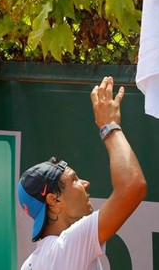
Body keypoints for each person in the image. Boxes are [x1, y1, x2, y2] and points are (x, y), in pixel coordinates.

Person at [17, 76, 147, 269]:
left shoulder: (31, 264)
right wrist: (109, 125)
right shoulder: (68, 245)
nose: (85, 183)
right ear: (54, 200)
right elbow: (132, 186)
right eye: (74, 180)